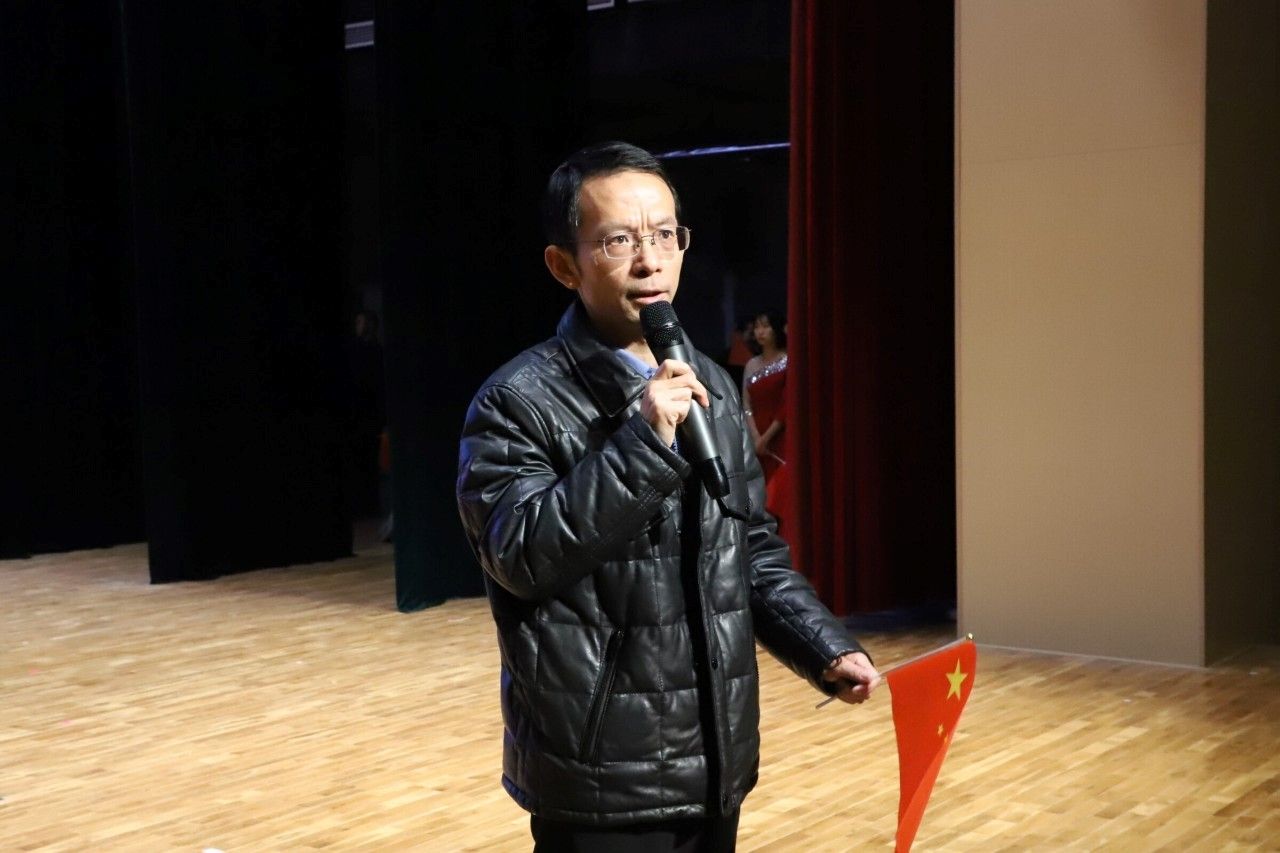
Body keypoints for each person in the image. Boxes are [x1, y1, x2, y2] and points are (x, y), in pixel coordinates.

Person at [456, 142, 879, 852]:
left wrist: (822, 646)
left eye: (664, 235)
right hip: (602, 776)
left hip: (715, 758)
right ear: (564, 265)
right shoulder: (515, 402)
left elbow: (749, 547)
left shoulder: (707, 381)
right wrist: (644, 438)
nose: (650, 261)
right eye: (619, 241)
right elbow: (521, 556)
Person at [740, 310, 791, 533]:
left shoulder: (788, 361)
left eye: (765, 326)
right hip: (756, 440)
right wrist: (755, 437)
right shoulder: (751, 364)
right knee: (760, 495)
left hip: (781, 437)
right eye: (757, 327)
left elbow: (787, 405)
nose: (760, 332)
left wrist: (766, 438)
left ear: (777, 329)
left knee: (781, 495)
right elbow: (746, 405)